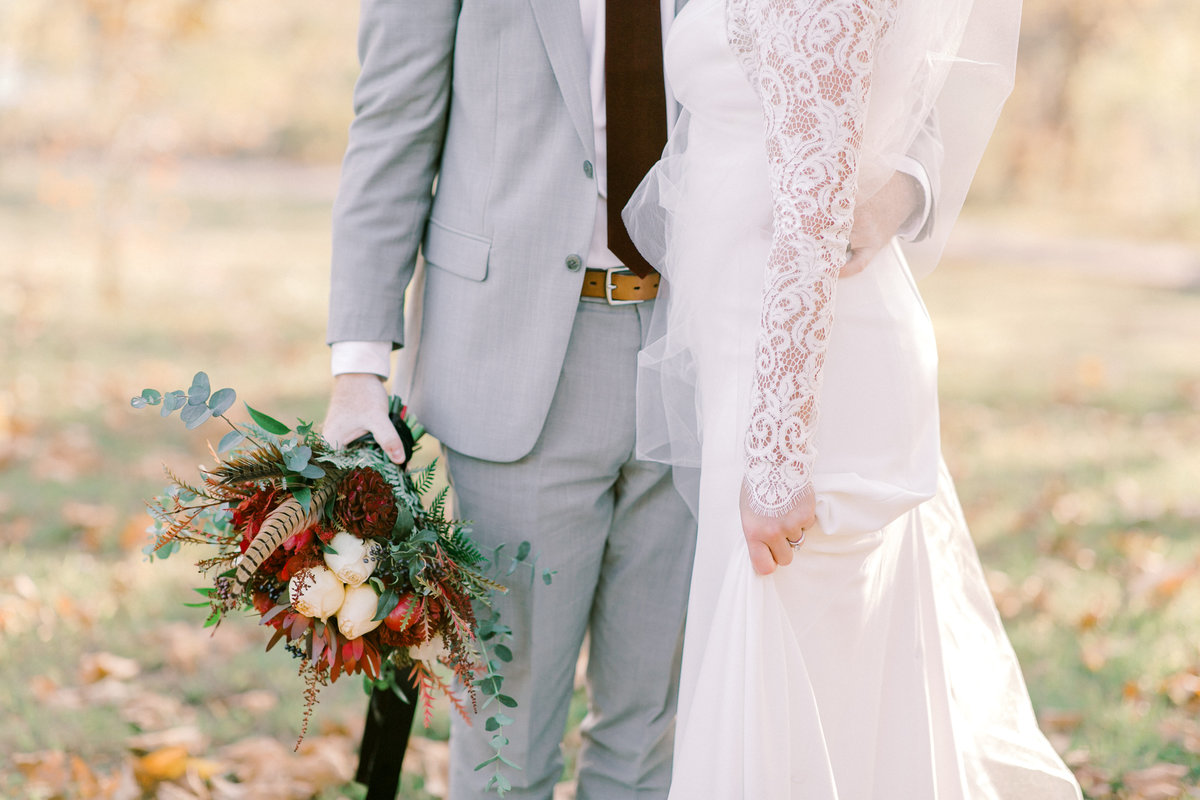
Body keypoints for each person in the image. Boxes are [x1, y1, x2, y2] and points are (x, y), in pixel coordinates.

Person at [322, 1, 935, 797]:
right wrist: (358, 372)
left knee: (655, 728)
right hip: (514, 357)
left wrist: (881, 205)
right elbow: (390, 130)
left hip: (708, 357)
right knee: (507, 727)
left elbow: (906, 89)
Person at [622, 0, 1087, 797]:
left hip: (813, 373)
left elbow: (810, 216)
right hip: (760, 354)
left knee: (797, 660)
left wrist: (775, 455)